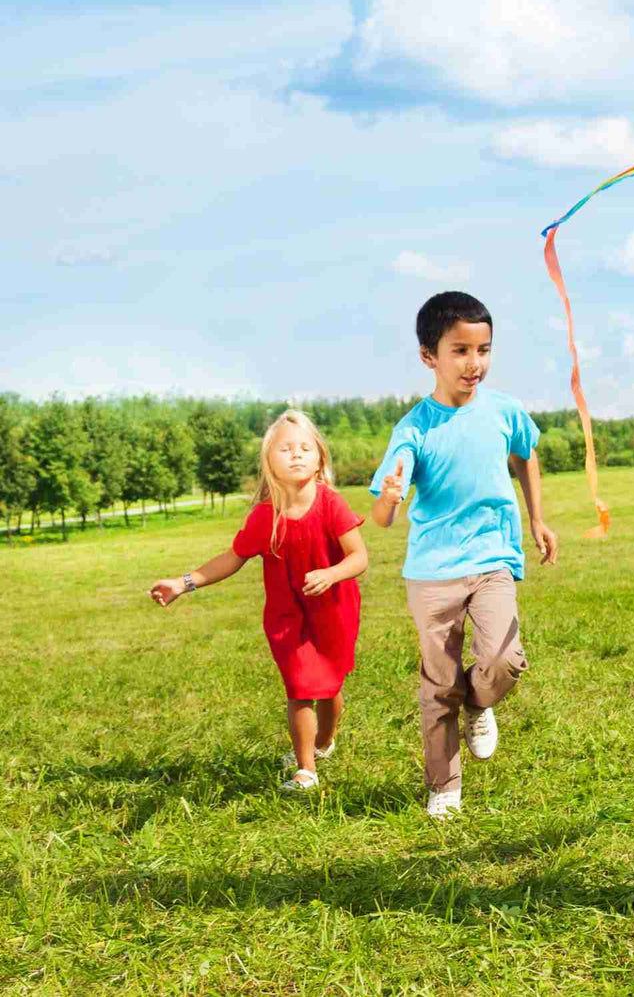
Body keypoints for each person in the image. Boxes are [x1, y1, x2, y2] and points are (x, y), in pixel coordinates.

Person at [370, 290, 558, 819]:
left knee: (503, 658)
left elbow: (526, 456)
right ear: (430, 356)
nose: (474, 363)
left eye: (484, 349)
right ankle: (444, 786)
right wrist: (388, 499)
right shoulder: (413, 428)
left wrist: (537, 518)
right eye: (460, 351)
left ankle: (480, 701)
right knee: (439, 684)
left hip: (494, 557)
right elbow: (383, 516)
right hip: (431, 573)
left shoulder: (505, 411)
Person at [149, 409, 367, 792]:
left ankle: (325, 741)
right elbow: (232, 558)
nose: (296, 454)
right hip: (287, 617)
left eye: (304, 447)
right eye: (285, 449)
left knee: (329, 688)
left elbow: (359, 558)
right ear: (269, 462)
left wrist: (331, 574)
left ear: (320, 458)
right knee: (300, 687)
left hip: (334, 610)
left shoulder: (332, 505)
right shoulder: (265, 517)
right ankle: (306, 769)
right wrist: (184, 582)